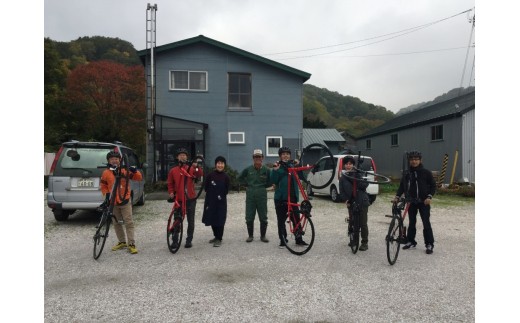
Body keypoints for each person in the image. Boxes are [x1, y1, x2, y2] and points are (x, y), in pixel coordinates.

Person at [393, 150, 436, 254]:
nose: (414, 161)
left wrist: (429, 197)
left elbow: (433, 186)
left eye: (416, 159)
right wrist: (397, 196)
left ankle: (429, 244)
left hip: (423, 202)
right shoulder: (407, 173)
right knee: (412, 222)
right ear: (409, 161)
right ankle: (411, 241)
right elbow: (402, 186)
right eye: (412, 159)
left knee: (426, 223)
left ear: (420, 160)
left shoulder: (426, 172)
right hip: (411, 201)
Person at [100, 150, 143, 254]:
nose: (114, 161)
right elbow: (103, 185)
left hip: (125, 200)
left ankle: (131, 243)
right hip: (113, 202)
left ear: (120, 160)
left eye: (116, 159)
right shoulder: (106, 173)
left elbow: (139, 178)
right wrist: (106, 196)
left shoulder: (124, 170)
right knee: (116, 222)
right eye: (112, 159)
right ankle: (122, 241)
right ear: (108, 161)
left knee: (129, 222)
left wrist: (134, 170)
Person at [271, 146, 308, 248]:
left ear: (290, 155)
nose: (285, 156)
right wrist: (275, 170)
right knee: (281, 220)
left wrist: (298, 164)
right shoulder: (278, 166)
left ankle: (299, 239)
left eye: (287, 154)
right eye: (283, 154)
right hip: (280, 198)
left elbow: (301, 175)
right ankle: (283, 240)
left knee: (296, 218)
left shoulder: (293, 166)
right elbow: (273, 180)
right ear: (280, 156)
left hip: (292, 197)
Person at [167, 148, 204, 249]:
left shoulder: (191, 168)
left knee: (190, 220)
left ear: (187, 157)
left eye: (184, 155)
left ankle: (189, 240)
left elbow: (200, 174)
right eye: (180, 155)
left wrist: (197, 167)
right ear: (177, 157)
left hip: (190, 198)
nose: (182, 156)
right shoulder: (173, 170)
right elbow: (170, 183)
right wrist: (171, 192)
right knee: (177, 220)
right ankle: (175, 241)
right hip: (178, 199)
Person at [238, 149, 272, 243]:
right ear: (253, 158)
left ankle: (263, 236)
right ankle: (250, 236)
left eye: (259, 157)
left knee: (263, 215)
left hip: (262, 194)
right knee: (249, 215)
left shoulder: (266, 170)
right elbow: (239, 177)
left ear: (262, 158)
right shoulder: (248, 169)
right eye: (256, 157)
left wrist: (265, 186)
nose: (258, 158)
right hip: (250, 194)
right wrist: (247, 184)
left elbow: (271, 180)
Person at [339, 156, 370, 251]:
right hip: (351, 202)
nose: (348, 166)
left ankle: (364, 242)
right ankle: (354, 240)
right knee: (352, 222)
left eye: (350, 164)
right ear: (344, 165)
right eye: (347, 164)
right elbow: (342, 190)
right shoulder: (343, 177)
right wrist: (345, 200)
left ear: (353, 165)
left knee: (363, 223)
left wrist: (355, 178)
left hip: (362, 201)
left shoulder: (358, 173)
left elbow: (365, 184)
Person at [202, 156, 230, 247]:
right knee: (212, 218)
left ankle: (219, 238)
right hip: (210, 201)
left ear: (224, 165)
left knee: (220, 219)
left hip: (221, 202)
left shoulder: (226, 177)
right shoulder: (210, 176)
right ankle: (215, 236)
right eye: (218, 163)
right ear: (215, 164)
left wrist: (219, 196)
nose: (220, 165)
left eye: (222, 163)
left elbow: (226, 190)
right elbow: (206, 188)